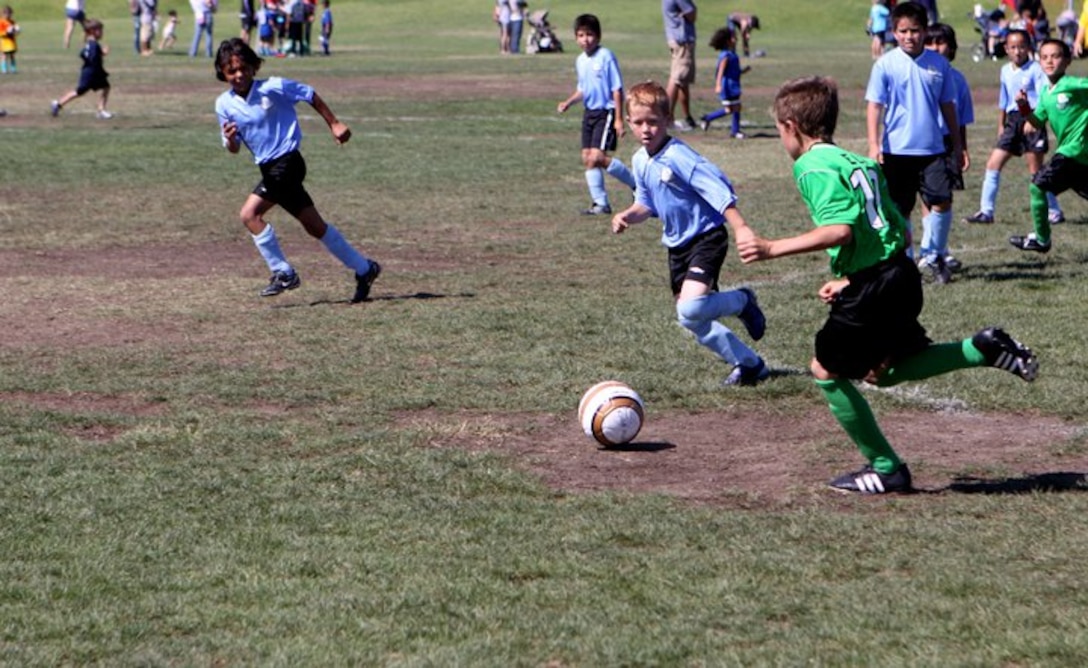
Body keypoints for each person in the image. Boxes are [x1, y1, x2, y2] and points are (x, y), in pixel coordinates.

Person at [737, 76, 1039, 494]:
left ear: (791, 126)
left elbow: (840, 230)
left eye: (779, 131)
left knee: (825, 370)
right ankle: (982, 348)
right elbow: (892, 229)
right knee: (886, 370)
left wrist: (771, 248)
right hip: (898, 273)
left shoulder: (810, 165)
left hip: (878, 285)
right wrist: (849, 277)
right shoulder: (857, 162)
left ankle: (886, 468)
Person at [611, 81, 769, 387]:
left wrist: (740, 227)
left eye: (653, 122)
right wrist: (627, 216)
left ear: (668, 120)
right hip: (677, 246)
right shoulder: (640, 160)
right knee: (690, 318)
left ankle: (741, 301)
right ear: (629, 122)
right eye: (639, 122)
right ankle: (749, 364)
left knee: (691, 307)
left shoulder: (680, 156)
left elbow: (718, 189)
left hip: (706, 237)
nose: (646, 129)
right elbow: (646, 203)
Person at [213, 38, 381, 301]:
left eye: (243, 68)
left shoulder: (273, 87)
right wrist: (231, 139)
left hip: (288, 162)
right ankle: (365, 268)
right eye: (231, 71)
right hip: (269, 168)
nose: (238, 75)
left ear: (253, 67)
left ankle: (283, 272)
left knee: (249, 214)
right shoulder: (223, 104)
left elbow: (309, 93)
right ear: (222, 73)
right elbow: (232, 148)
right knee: (315, 227)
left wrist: (334, 124)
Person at [866, 1, 962, 284]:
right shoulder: (885, 64)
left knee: (942, 201)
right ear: (894, 32)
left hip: (933, 149)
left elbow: (948, 106)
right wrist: (874, 144)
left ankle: (933, 256)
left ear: (924, 30)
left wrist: (957, 144)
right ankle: (906, 262)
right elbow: (874, 106)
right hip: (896, 150)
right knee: (900, 208)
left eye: (915, 31)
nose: (910, 36)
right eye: (903, 31)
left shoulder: (939, 64)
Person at [963, 30, 1063, 226]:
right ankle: (986, 211)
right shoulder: (1005, 71)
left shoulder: (1036, 69)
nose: (1018, 51)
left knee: (1036, 171)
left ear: (1029, 47)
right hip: (1012, 121)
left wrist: (1035, 120)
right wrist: (1001, 124)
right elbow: (1004, 99)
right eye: (1013, 47)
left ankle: (1054, 211)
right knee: (993, 164)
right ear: (1006, 49)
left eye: (1022, 47)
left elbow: (1044, 96)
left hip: (1032, 119)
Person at [1009, 38, 1088, 253]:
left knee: (1037, 186)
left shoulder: (1072, 84)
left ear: (1067, 60)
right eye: (1044, 57)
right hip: (1079, 160)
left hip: (1073, 151)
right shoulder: (1045, 93)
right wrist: (1024, 107)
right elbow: (1035, 122)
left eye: (1055, 56)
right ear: (1039, 61)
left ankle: (1042, 240)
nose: (1050, 61)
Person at [556, 14, 637, 216]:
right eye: (581, 35)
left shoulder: (606, 56)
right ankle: (601, 204)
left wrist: (618, 119)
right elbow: (582, 89)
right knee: (587, 158)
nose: (586, 39)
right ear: (576, 38)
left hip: (606, 112)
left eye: (590, 34)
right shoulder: (580, 60)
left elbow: (617, 89)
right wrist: (568, 102)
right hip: (589, 113)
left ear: (598, 36)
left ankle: (637, 184)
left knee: (598, 157)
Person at [921, 23, 972, 274]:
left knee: (943, 197)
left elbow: (961, 118)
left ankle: (936, 250)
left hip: (948, 142)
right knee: (927, 197)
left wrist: (962, 147)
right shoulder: (919, 72)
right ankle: (928, 250)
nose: (935, 47)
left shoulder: (958, 79)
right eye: (929, 42)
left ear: (951, 48)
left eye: (940, 42)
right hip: (923, 142)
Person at [50, 19, 113, 120]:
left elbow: (84, 54)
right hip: (92, 73)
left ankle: (101, 110)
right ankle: (57, 104)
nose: (102, 33)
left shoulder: (91, 43)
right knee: (79, 91)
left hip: (92, 72)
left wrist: (101, 54)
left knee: (105, 87)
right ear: (93, 31)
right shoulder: (93, 44)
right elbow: (91, 57)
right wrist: (101, 55)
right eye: (100, 30)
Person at [698, 26, 749, 138]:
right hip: (728, 87)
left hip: (734, 86)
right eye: (734, 38)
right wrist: (718, 84)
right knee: (734, 107)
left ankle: (708, 118)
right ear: (728, 41)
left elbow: (734, 71)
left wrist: (743, 71)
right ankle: (735, 131)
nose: (736, 40)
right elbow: (720, 70)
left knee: (732, 108)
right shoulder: (726, 56)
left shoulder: (732, 54)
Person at [662, 0, 698, 131]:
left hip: (676, 39)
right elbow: (692, 14)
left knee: (683, 81)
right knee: (677, 79)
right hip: (682, 41)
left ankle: (688, 117)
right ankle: (666, 118)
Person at [0, 5, 17, 74]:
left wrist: (16, 31)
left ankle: (13, 69)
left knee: (12, 55)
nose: (8, 15)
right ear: (3, 14)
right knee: (3, 55)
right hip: (4, 42)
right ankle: (4, 69)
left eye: (10, 14)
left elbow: (15, 30)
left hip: (11, 42)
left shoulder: (12, 22)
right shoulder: (1, 22)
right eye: (7, 14)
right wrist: (6, 32)